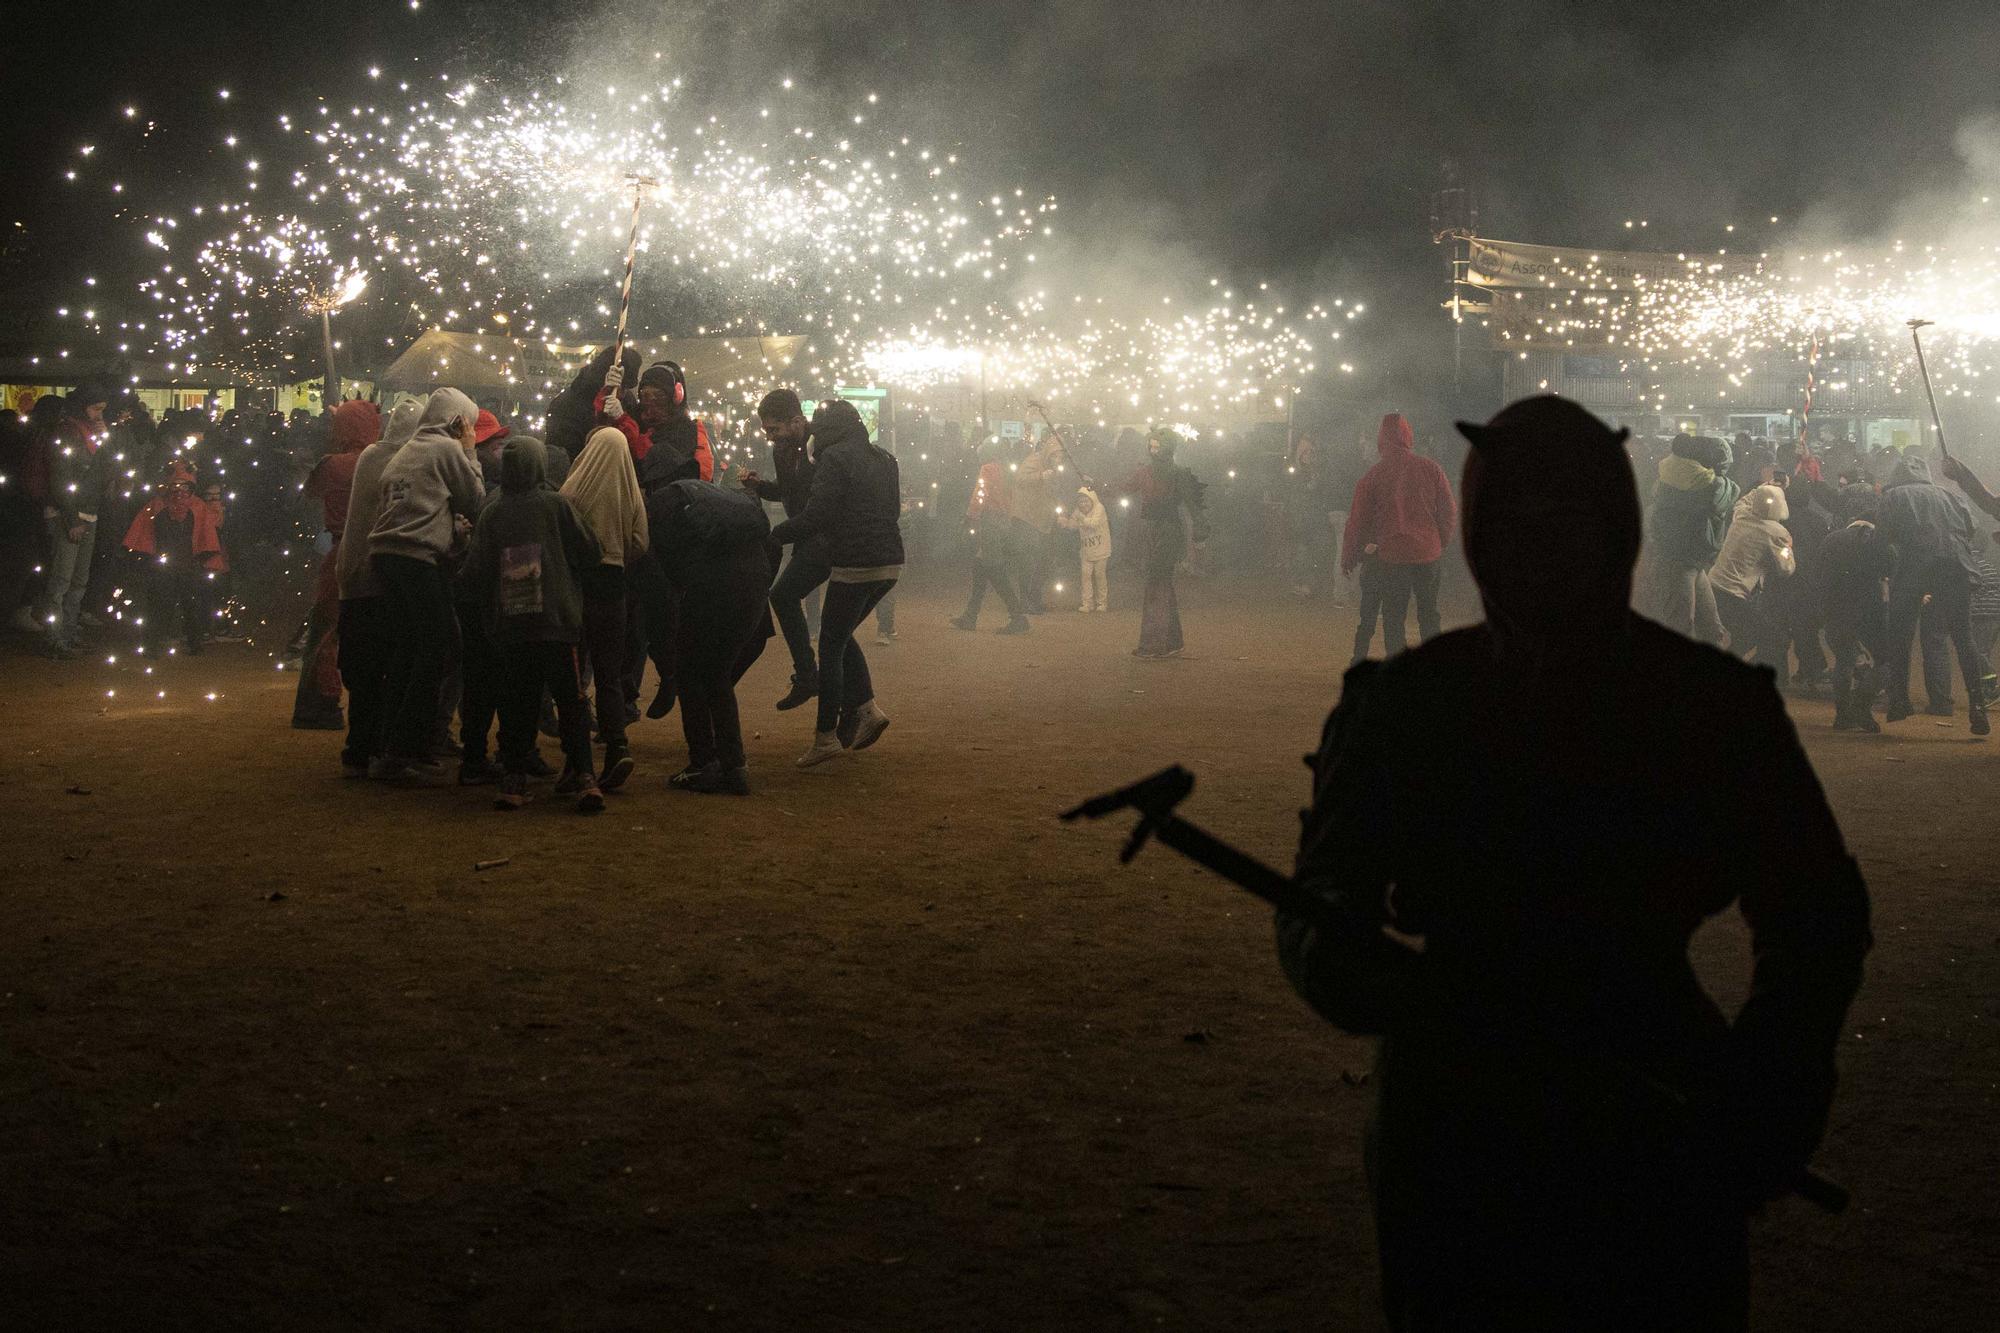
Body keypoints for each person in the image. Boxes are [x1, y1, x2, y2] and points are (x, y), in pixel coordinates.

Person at [1278, 395, 1870, 1330]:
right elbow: (1323, 895)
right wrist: (1342, 959)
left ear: (1618, 529)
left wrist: (1769, 1087)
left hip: (1653, 1109)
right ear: (1480, 530)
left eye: (1571, 523)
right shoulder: (1406, 704)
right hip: (1461, 1117)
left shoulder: (1710, 705)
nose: (1541, 550)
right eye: (1515, 522)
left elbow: (1817, 917)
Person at [457, 437, 604, 813]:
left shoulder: (493, 512)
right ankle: (585, 777)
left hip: (512, 626)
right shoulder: (556, 505)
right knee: (570, 700)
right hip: (557, 622)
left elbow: (475, 573)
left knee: (517, 701)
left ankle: (514, 779)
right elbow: (591, 550)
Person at [769, 399, 901, 767]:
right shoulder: (884, 458)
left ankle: (826, 736)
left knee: (830, 646)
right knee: (839, 636)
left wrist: (776, 535)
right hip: (890, 561)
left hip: (854, 561)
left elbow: (817, 514)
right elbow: (892, 509)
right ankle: (866, 709)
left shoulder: (834, 458)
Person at [367, 387, 488, 784]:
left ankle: (391, 748)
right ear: (458, 422)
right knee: (439, 649)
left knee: (407, 652)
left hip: (386, 558)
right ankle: (404, 750)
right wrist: (470, 451)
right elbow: (476, 500)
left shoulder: (406, 450)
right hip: (416, 560)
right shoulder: (445, 449)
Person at [650, 477, 774, 794]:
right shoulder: (720, 499)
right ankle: (734, 766)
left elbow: (666, 578)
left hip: (711, 589)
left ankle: (702, 763)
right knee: (717, 674)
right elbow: (771, 547)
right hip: (753, 587)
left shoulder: (660, 510)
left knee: (689, 673)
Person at [335, 398, 424, 778]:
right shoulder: (403, 462)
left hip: (352, 576)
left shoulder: (371, 455)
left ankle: (359, 750)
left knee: (363, 672)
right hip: (379, 578)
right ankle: (380, 750)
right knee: (385, 667)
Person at [561, 425, 650, 789]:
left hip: (577, 587)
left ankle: (576, 762)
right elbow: (640, 542)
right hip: (614, 586)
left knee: (574, 678)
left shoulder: (571, 491)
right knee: (609, 675)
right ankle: (618, 746)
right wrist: (617, 555)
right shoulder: (630, 493)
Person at [1875, 452, 1988, 734]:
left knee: (1900, 637)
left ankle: (1899, 701)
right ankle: (1978, 705)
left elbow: (1882, 541)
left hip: (1914, 569)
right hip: (1956, 569)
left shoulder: (1893, 497)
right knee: (1964, 639)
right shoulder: (1950, 495)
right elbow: (1971, 527)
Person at [292, 399, 381, 729]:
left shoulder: (333, 464)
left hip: (340, 551)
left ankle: (320, 705)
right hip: (374, 554)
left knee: (326, 630)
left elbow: (309, 493)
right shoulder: (381, 460)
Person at [1341, 413, 1456, 664]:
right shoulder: (1431, 469)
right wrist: (1438, 542)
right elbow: (1449, 512)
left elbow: (1357, 520)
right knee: (1429, 615)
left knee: (1394, 618)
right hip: (1428, 553)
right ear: (1408, 437)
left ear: (1381, 439)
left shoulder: (1374, 474)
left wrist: (1349, 556)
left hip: (1392, 557)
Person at [741, 388, 826, 709]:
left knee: (783, 596)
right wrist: (759, 487)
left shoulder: (821, 448)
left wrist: (781, 533)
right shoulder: (782, 451)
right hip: (806, 535)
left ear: (796, 421)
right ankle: (809, 676)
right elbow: (788, 493)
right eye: (766, 431)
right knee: (832, 627)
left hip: (823, 535)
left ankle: (808, 675)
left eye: (774, 429)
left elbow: (818, 503)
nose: (771, 437)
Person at [1115, 428, 1207, 659]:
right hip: (1154, 531)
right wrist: (1094, 484)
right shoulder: (1144, 472)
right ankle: (1172, 641)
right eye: (1151, 447)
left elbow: (1193, 506)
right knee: (1161, 583)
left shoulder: (1179, 474)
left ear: (1167, 449)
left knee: (1157, 584)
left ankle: (1154, 645)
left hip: (1169, 532)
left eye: (1157, 447)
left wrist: (1200, 531)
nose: (1153, 451)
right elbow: (1122, 487)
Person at [121, 458, 224, 657]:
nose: (179, 491)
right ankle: (154, 646)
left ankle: (192, 642)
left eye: (184, 486)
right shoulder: (158, 505)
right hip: (164, 565)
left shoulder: (197, 507)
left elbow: (211, 529)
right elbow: (143, 533)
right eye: (175, 486)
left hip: (187, 564)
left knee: (189, 605)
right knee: (161, 606)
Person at [41, 382, 113, 658]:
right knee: (61, 580)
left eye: (102, 410)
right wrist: (72, 519)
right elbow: (61, 480)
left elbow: (107, 469)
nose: (99, 415)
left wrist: (106, 439)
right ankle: (54, 638)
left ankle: (68, 633)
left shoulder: (91, 435)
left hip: (88, 512)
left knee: (78, 581)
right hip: (67, 514)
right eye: (95, 409)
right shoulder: (67, 433)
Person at [1643, 434, 1739, 645]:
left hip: (1690, 562)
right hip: (1678, 563)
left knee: (1712, 630)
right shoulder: (1703, 485)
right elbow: (1728, 494)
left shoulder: (1676, 476)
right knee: (1683, 627)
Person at [1820, 486, 1893, 732]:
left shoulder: (1831, 539)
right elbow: (1889, 574)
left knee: (1844, 660)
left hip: (1835, 608)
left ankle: (1842, 715)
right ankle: (1862, 704)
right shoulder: (1881, 542)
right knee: (1886, 661)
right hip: (1869, 610)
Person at [1709, 483, 1796, 665]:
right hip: (1734, 594)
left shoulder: (1742, 515)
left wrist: (1765, 486)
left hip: (1713, 587)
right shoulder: (1776, 532)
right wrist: (1788, 548)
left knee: (1743, 637)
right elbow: (1786, 569)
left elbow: (1744, 501)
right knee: (1776, 639)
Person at [953, 456, 1030, 634]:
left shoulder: (988, 469)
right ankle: (970, 616)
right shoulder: (1009, 468)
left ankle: (1017, 616)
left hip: (991, 520)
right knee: (981, 566)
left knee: (993, 567)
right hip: (1004, 519)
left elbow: (981, 492)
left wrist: (971, 515)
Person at [1061, 484, 1112, 611]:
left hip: (1101, 549)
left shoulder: (1099, 508)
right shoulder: (1077, 512)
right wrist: (1064, 522)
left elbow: (1094, 524)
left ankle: (1102, 603)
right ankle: (1087, 603)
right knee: (1085, 576)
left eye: (1086, 501)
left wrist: (1080, 518)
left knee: (1100, 576)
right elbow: (1072, 526)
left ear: (1091, 500)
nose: (1083, 504)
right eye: (1080, 502)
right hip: (1086, 551)